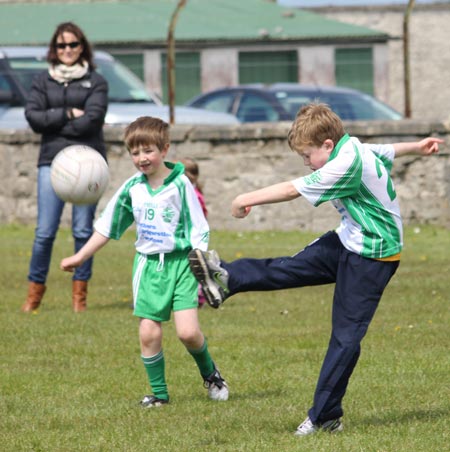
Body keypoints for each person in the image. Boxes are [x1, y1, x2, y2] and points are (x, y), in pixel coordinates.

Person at [188, 103, 442, 435]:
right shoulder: (350, 145)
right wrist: (418, 147)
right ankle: (227, 278)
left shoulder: (345, 163)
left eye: (308, 155)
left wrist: (244, 198)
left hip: (374, 256)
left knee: (345, 337)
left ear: (327, 145)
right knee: (289, 267)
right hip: (350, 239)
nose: (307, 163)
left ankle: (326, 416)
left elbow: (293, 189)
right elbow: (386, 150)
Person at [60, 116, 228, 406]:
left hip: (183, 265)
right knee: (149, 332)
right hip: (148, 266)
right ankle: (160, 395)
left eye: (148, 150)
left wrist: (201, 260)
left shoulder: (180, 184)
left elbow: (199, 226)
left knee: (188, 333)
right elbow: (107, 226)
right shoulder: (132, 188)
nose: (141, 158)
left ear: (164, 149)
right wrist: (80, 256)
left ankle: (211, 374)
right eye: (135, 153)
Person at [22, 22, 108, 313]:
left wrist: (56, 122)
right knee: (45, 232)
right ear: (54, 49)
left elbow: (93, 119)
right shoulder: (41, 81)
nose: (67, 50)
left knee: (83, 230)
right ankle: (34, 296)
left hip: (89, 163)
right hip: (51, 162)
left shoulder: (96, 81)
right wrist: (70, 113)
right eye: (62, 45)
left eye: (73, 45)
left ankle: (79, 300)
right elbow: (33, 118)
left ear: (82, 46)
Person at [179, 157, 208, 307]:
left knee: (192, 268)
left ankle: (199, 297)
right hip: (186, 237)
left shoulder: (193, 195)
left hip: (190, 238)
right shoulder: (190, 192)